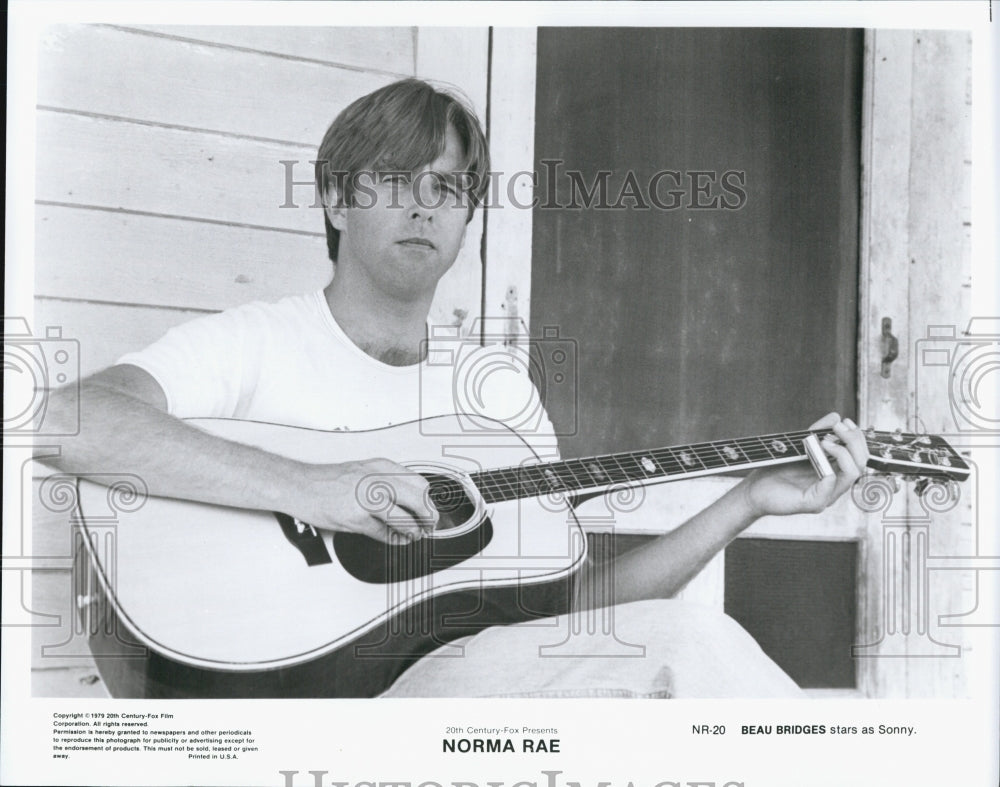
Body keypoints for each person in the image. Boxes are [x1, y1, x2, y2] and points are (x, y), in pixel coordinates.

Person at [44, 78, 868, 698]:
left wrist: (748, 500)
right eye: (395, 178)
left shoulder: (497, 392)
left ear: (469, 216)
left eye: (448, 187)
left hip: (456, 697)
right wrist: (316, 488)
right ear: (334, 196)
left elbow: (568, 608)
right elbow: (64, 417)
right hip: (284, 697)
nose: (424, 206)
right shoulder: (256, 342)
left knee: (688, 640)